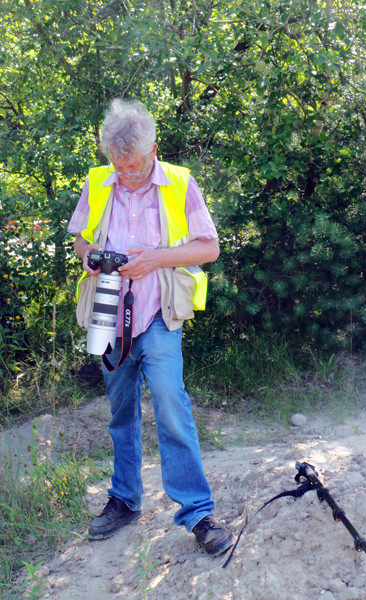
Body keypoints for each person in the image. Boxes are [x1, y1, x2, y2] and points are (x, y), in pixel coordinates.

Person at [68, 99, 234, 557]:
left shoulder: (180, 183)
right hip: (107, 312)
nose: (127, 175)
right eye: (118, 167)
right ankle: (125, 500)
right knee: (120, 410)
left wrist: (153, 260)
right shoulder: (99, 181)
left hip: (159, 311)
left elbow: (209, 248)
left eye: (135, 167)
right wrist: (90, 256)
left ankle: (198, 513)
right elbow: (81, 237)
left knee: (168, 402)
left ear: (153, 149)